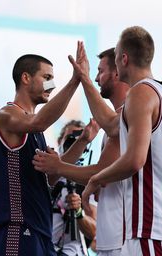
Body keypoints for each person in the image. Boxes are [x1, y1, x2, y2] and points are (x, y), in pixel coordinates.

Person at [0, 52, 98, 256]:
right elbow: (39, 121)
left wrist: (82, 141)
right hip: (17, 228)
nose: (52, 85)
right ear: (26, 78)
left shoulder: (36, 130)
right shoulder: (8, 114)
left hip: (40, 231)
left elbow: (53, 174)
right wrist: (76, 80)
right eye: (47, 78)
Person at [32, 47, 130, 255]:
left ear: (117, 73)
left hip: (123, 238)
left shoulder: (125, 120)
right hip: (115, 236)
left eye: (100, 71)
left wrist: (59, 166)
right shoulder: (120, 122)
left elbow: (103, 173)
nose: (95, 78)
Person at [75, 27, 162, 255]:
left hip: (149, 228)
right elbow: (112, 125)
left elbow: (134, 160)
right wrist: (84, 78)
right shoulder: (155, 93)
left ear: (124, 59)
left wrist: (95, 178)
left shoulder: (140, 93)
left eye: (115, 58)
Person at [52, 120, 97, 256]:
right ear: (59, 141)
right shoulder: (46, 175)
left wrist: (78, 212)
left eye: (80, 141)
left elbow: (93, 230)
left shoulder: (88, 182)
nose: (74, 145)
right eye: (70, 140)